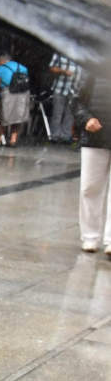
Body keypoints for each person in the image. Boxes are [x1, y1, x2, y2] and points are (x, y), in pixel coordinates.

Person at [76, 67, 111, 255]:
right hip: (94, 137)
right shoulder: (92, 68)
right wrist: (86, 119)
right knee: (90, 187)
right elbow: (77, 100)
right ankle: (90, 236)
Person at [0, 50, 30, 146]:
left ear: (1, 60)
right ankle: (13, 140)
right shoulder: (22, 67)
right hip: (23, 94)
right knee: (18, 117)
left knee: (3, 117)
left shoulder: (1, 68)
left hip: (8, 93)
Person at [47, 51, 83, 144]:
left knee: (70, 114)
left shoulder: (81, 55)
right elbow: (51, 68)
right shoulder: (59, 54)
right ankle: (55, 136)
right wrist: (63, 71)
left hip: (75, 90)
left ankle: (66, 136)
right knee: (57, 113)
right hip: (60, 88)